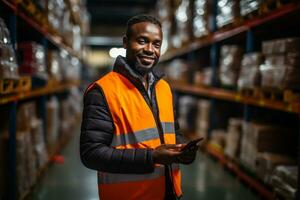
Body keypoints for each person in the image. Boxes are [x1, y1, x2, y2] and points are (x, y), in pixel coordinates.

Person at [80, 14, 199, 200]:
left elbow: (173, 133)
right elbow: (91, 154)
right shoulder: (103, 91)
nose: (150, 50)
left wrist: (183, 152)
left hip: (168, 193)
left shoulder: (164, 88)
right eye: (142, 41)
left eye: (156, 44)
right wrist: (151, 157)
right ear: (126, 43)